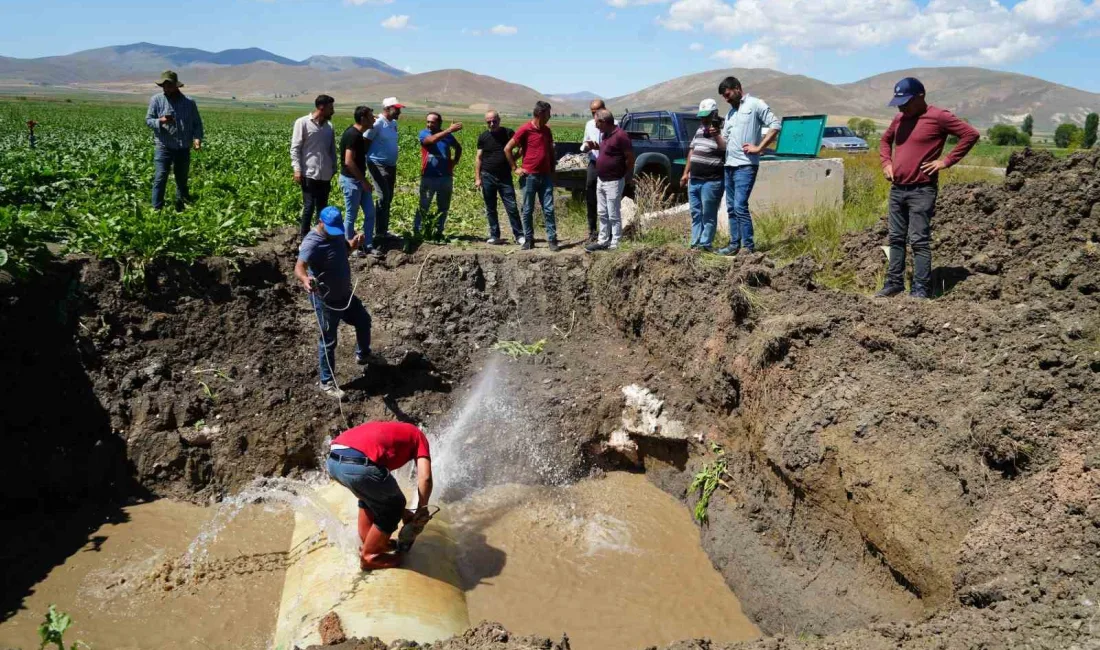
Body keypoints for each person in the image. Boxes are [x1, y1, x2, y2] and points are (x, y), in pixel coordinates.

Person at [877, 77, 979, 299]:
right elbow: (885, 142)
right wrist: (886, 163)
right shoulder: (899, 119)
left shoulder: (938, 116)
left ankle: (920, 289)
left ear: (920, 96)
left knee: (919, 241)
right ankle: (894, 283)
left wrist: (946, 161)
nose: (901, 106)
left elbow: (971, 134)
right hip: (897, 189)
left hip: (922, 190)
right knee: (895, 238)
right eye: (898, 102)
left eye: (906, 101)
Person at [294, 206, 378, 400]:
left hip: (344, 295)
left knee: (363, 320)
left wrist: (354, 244)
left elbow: (344, 249)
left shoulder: (336, 234)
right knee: (328, 341)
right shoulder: (312, 242)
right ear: (321, 222)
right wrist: (305, 280)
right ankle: (327, 382)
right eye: (330, 229)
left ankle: (363, 354)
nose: (334, 233)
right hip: (326, 300)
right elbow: (299, 267)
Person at [327, 420, 433, 570]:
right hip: (359, 465)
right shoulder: (419, 436)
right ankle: (370, 557)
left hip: (333, 462)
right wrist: (422, 510)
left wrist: (404, 514)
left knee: (372, 496)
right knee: (395, 503)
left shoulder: (388, 430)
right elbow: (426, 478)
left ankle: (369, 543)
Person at [717, 76, 780, 256]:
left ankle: (748, 248)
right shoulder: (730, 114)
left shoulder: (755, 104)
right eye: (724, 97)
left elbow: (775, 125)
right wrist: (715, 135)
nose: (726, 99)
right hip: (729, 166)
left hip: (745, 166)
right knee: (731, 207)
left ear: (737, 88)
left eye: (728, 94)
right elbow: (725, 144)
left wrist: (759, 147)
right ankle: (733, 245)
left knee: (740, 205)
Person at [145, 70, 204, 211]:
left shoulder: (189, 103)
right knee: (160, 177)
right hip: (164, 146)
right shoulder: (156, 100)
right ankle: (156, 209)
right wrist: (161, 121)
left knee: (181, 179)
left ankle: (181, 206)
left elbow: (197, 123)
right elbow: (148, 120)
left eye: (169, 85)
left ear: (176, 86)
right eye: (164, 86)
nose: (166, 88)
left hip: (183, 147)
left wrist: (197, 139)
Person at [505, 101, 559, 252]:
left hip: (546, 176)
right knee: (528, 209)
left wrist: (553, 172)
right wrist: (515, 168)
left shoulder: (547, 131)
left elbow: (550, 153)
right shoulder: (525, 129)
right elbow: (508, 148)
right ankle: (529, 239)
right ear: (541, 114)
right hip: (529, 176)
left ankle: (552, 239)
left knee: (548, 208)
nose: (550, 116)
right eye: (548, 113)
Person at [585, 109, 634, 252]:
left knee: (613, 213)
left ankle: (615, 242)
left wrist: (625, 175)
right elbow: (609, 151)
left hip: (614, 180)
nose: (596, 126)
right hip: (602, 179)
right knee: (602, 212)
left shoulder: (621, 136)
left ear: (604, 122)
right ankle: (603, 240)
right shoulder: (605, 135)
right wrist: (597, 147)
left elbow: (630, 158)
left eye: (597, 123)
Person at [681, 99, 727, 252]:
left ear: (714, 113)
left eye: (706, 116)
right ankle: (695, 244)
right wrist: (685, 173)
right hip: (695, 179)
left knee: (708, 213)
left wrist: (717, 135)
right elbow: (692, 151)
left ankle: (705, 244)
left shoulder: (724, 127)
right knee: (695, 212)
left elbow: (724, 149)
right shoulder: (700, 128)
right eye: (701, 116)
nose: (703, 119)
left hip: (711, 180)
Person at [476, 110, 524, 245]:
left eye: (494, 121)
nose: (492, 124)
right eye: (489, 122)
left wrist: (512, 161)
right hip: (487, 175)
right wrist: (477, 178)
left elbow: (522, 148)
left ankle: (519, 235)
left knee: (511, 206)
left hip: (504, 176)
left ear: (499, 120)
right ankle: (494, 235)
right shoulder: (483, 137)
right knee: (490, 207)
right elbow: (479, 158)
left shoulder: (508, 133)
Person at [291, 95, 337, 239]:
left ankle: (320, 235)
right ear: (321, 107)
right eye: (331, 108)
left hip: (325, 174)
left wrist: (334, 167)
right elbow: (295, 148)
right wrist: (297, 169)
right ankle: (304, 236)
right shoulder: (302, 123)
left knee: (322, 207)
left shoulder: (329, 127)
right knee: (309, 206)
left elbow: (332, 150)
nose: (333, 111)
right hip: (308, 173)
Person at [340, 105, 379, 258]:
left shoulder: (357, 134)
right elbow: (348, 161)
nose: (373, 119)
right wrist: (363, 181)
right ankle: (349, 246)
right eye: (371, 116)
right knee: (351, 215)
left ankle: (368, 245)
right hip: (351, 181)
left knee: (370, 213)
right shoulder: (353, 135)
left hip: (358, 180)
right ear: (363, 118)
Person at [416, 112, 463, 238]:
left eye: (433, 122)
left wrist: (454, 162)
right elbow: (431, 140)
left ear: (439, 123)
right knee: (423, 206)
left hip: (445, 177)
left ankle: (438, 232)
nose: (429, 124)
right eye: (428, 122)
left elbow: (458, 148)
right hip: (428, 176)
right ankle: (417, 232)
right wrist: (449, 130)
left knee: (443, 207)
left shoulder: (447, 136)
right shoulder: (424, 133)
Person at [366, 97, 404, 243]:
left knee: (388, 197)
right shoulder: (377, 123)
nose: (399, 111)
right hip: (378, 164)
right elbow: (366, 141)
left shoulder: (393, 123)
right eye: (397, 109)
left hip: (390, 166)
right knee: (383, 197)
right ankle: (379, 233)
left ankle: (383, 230)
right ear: (387, 109)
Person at [579, 99, 606, 242]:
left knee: (607, 197)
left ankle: (606, 231)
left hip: (608, 165)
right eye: (592, 112)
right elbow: (585, 140)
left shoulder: (614, 124)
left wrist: (599, 147)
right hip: (594, 163)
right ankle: (592, 230)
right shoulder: (589, 124)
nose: (595, 115)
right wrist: (586, 147)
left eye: (597, 112)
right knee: (590, 194)